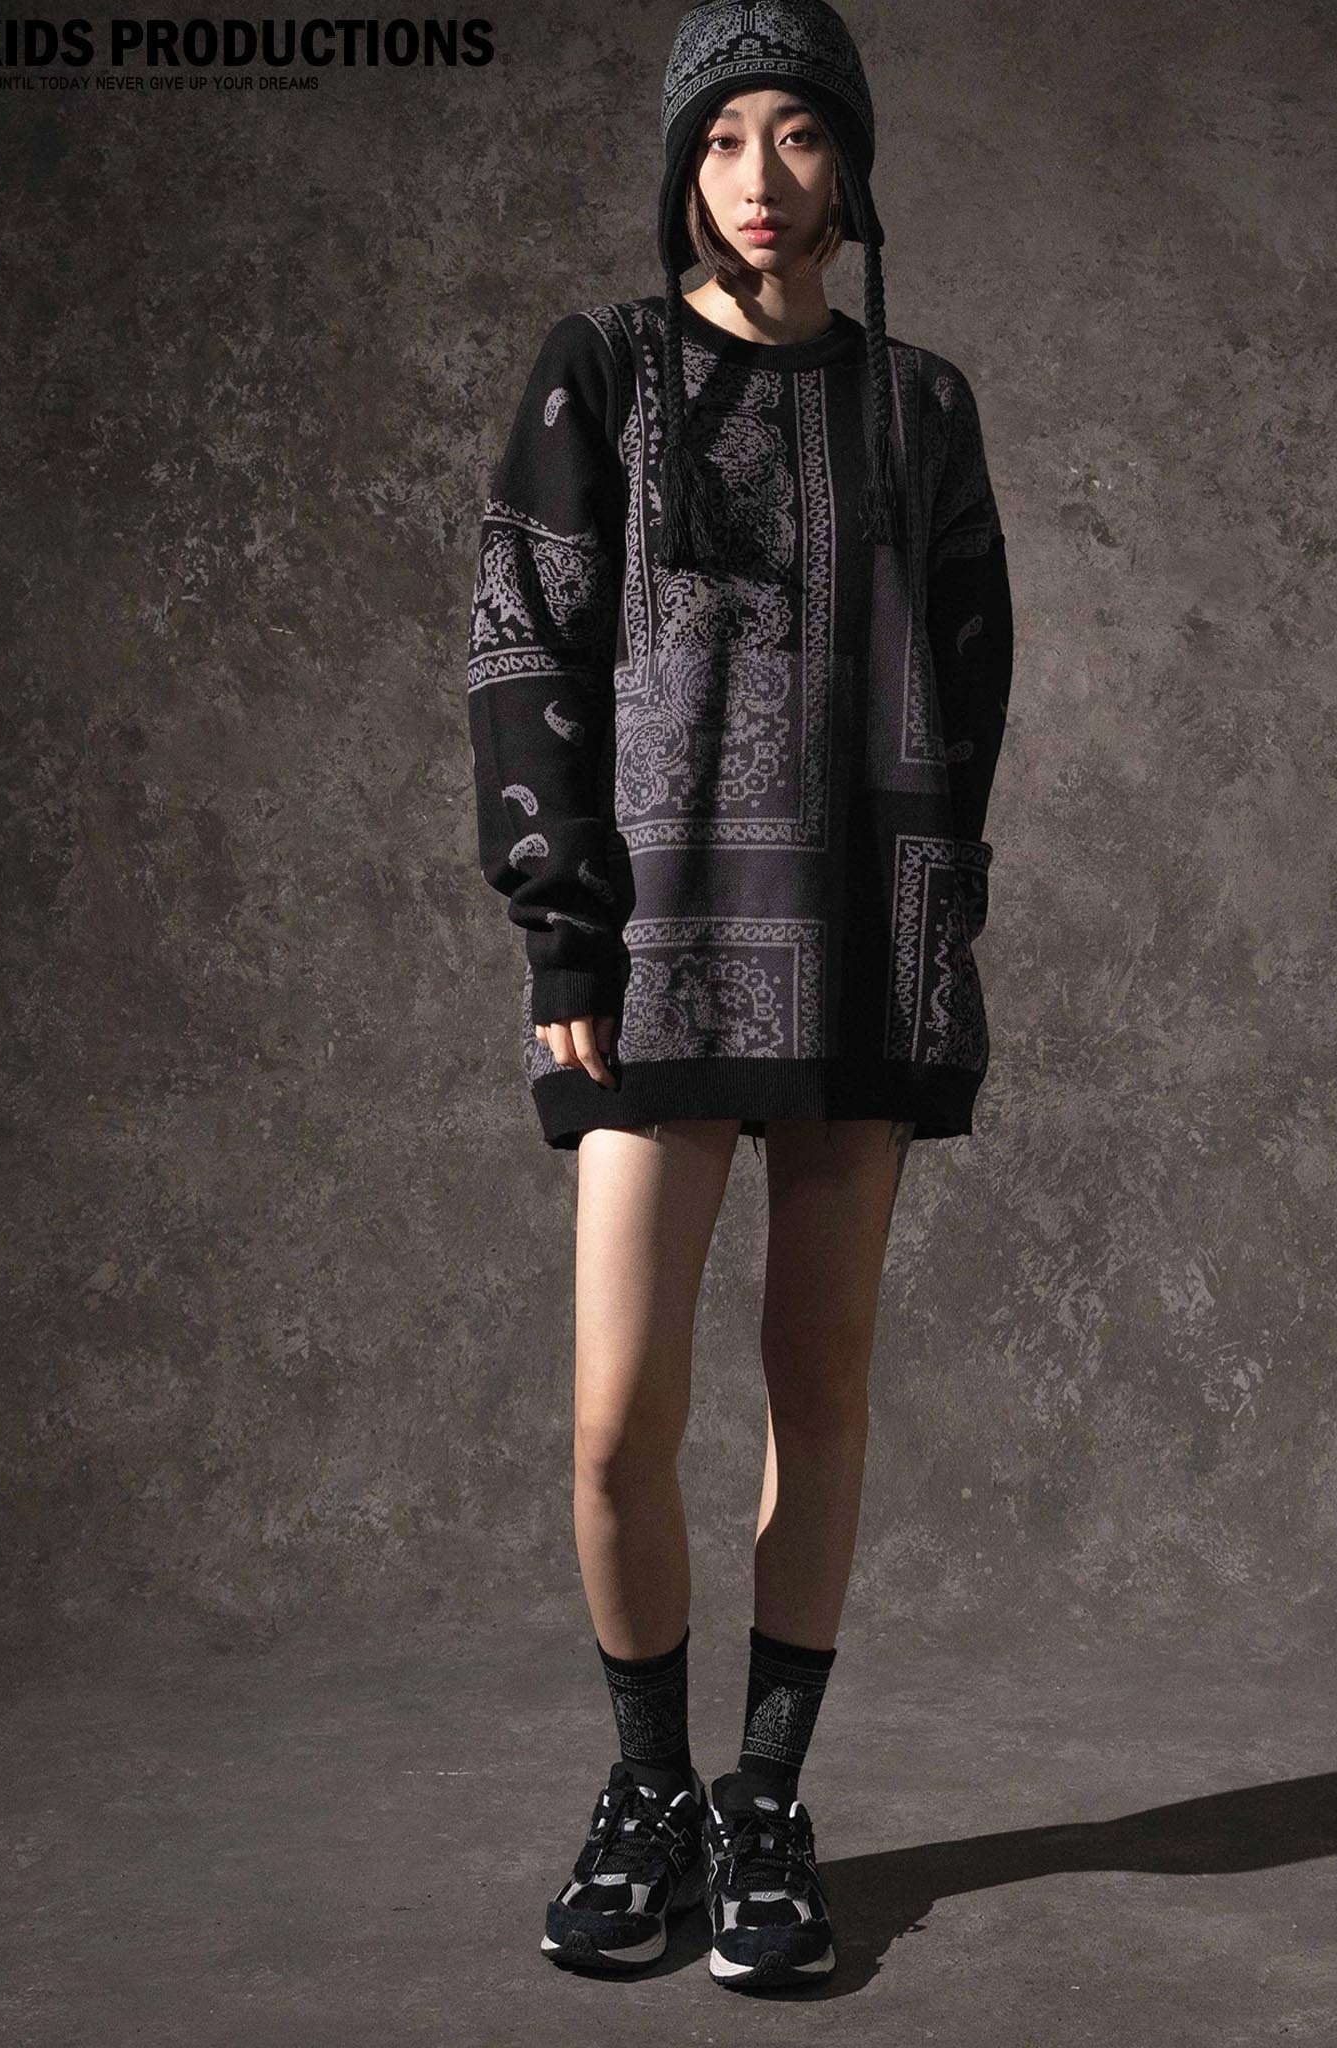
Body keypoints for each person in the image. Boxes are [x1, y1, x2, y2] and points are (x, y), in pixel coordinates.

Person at [463, 0, 1013, 1993]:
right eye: (719, 140)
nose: (760, 179)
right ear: (679, 167)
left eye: (796, 134)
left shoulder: (921, 404)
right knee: (617, 1422)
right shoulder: (602, 373)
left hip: (860, 951)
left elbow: (974, 683)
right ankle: (646, 1792)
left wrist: (932, 917)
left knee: (820, 1392)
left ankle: (765, 1801)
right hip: (659, 955)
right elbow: (526, 648)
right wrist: (563, 929)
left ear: (850, 157)